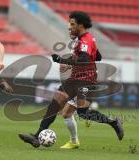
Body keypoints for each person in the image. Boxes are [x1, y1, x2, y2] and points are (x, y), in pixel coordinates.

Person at [18, 11, 123, 148]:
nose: (70, 27)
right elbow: (98, 57)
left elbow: (85, 58)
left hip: (87, 81)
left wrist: (63, 60)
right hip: (74, 80)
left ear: (81, 25)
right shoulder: (84, 40)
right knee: (55, 105)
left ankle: (113, 122)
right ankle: (37, 137)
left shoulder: (86, 39)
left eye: (73, 24)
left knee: (83, 113)